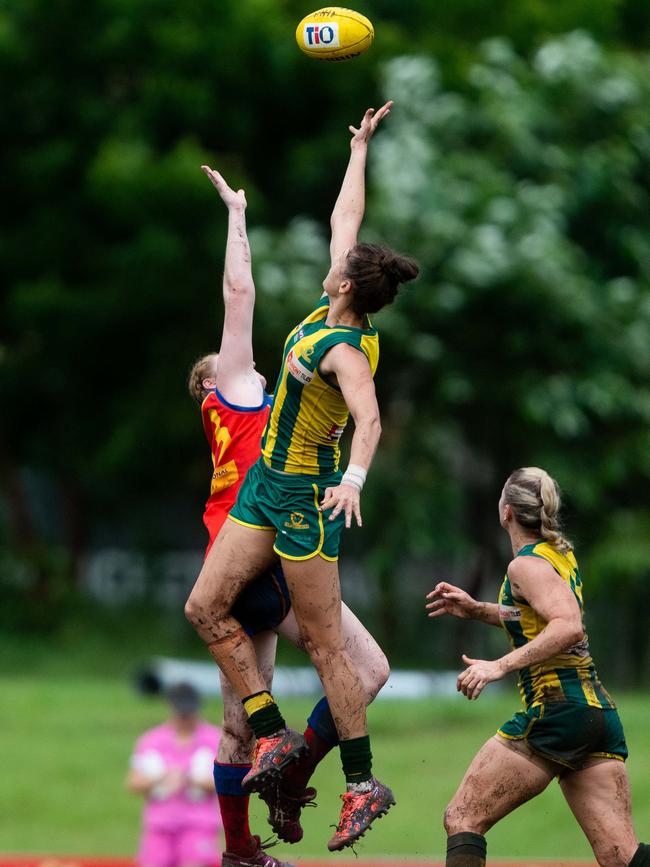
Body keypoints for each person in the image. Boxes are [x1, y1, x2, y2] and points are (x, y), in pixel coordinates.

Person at [185, 100, 419, 851]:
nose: (333, 254)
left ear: (347, 288)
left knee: (324, 648)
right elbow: (343, 221)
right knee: (204, 607)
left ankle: (360, 780)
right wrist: (359, 150)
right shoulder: (329, 309)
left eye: (340, 263)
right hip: (262, 489)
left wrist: (353, 476)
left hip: (303, 500)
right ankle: (273, 734)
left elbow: (372, 418)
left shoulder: (346, 351)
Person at [425, 467, 649, 867]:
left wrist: (498, 666)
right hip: (594, 714)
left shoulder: (523, 566)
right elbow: (536, 617)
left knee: (463, 816)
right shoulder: (557, 553)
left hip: (557, 710)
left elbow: (568, 625)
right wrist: (478, 610)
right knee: (620, 856)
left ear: (506, 511)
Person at [127, 683, 222, 867]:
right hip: (159, 824)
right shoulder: (151, 740)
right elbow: (133, 782)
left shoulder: (214, 738)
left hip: (199, 823)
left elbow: (228, 783)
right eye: (181, 713)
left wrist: (189, 779)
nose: (185, 718)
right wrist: (162, 777)